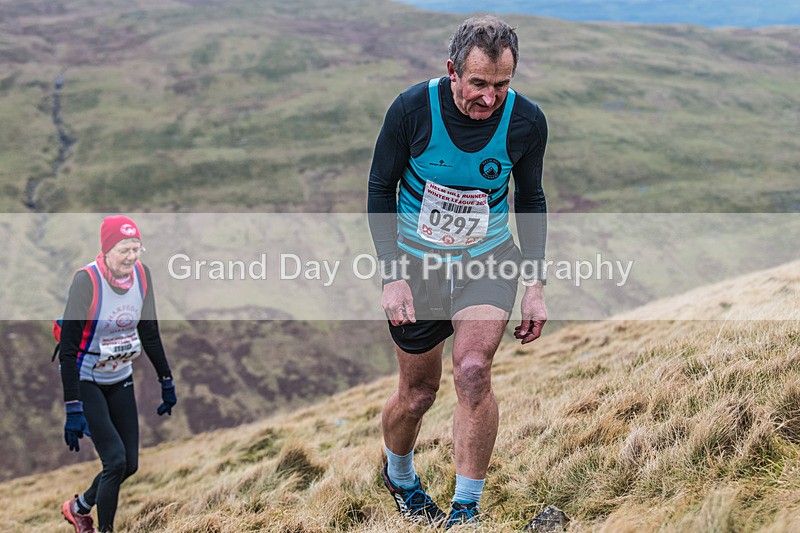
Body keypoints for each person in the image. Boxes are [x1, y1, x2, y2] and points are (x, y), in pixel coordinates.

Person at [367, 15, 548, 527]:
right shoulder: (411, 110)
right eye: (478, 84)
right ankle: (399, 474)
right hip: (417, 268)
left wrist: (534, 285)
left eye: (501, 85)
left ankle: (465, 510)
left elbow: (530, 199)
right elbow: (380, 189)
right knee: (417, 394)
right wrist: (392, 276)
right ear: (452, 70)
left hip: (487, 261)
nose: (488, 98)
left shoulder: (525, 122)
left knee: (472, 372)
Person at [58, 215, 177, 533]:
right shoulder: (87, 281)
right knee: (114, 461)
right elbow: (68, 351)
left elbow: (149, 332)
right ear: (107, 250)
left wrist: (166, 380)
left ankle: (79, 507)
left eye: (136, 248)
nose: (131, 256)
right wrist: (73, 408)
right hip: (87, 379)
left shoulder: (143, 276)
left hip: (120, 377)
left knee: (130, 464)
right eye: (124, 249)